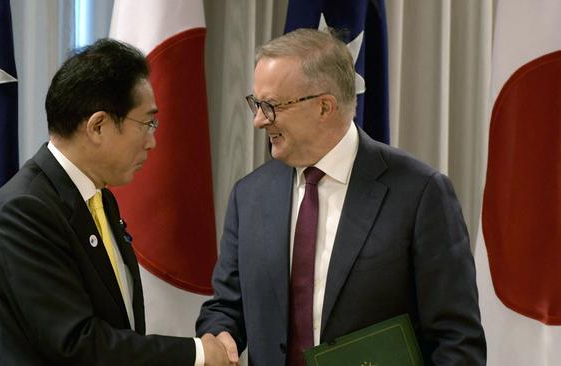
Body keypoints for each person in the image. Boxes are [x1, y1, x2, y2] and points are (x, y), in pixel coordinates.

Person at [196, 29, 486, 365]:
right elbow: (226, 306)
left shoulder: (420, 193)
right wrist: (221, 333)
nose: (259, 120)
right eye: (256, 104)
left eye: (271, 106)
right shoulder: (249, 196)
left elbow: (458, 341)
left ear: (324, 107)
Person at [0, 39, 230, 366]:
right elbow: (76, 343)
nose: (152, 142)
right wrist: (197, 354)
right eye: (147, 123)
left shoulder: (99, 198)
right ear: (98, 126)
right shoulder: (25, 210)